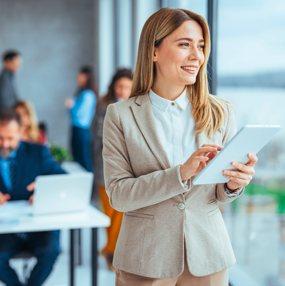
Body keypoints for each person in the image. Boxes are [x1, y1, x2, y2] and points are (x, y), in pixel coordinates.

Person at [102, 8, 258, 286]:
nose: (197, 56)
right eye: (184, 44)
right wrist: (181, 173)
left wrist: (234, 185)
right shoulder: (121, 115)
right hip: (145, 259)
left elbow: (220, 195)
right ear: (154, 52)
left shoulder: (222, 112)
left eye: (200, 46)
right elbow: (119, 195)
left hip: (209, 257)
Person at [0, 110, 66, 286]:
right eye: (0, 137)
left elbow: (64, 180)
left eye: (10, 138)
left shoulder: (38, 153)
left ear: (20, 132)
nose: (5, 144)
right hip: (3, 229)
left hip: (39, 226)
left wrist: (44, 190)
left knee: (51, 251)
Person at [91, 68, 133, 271]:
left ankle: (110, 250)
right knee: (110, 213)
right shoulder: (104, 106)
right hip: (104, 169)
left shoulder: (135, 106)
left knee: (122, 212)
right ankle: (111, 251)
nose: (123, 91)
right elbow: (98, 138)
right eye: (120, 86)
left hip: (127, 171)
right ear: (113, 87)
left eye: (127, 87)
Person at [65, 66, 97, 172]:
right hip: (77, 129)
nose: (78, 77)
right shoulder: (82, 93)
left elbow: (77, 113)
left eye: (80, 75)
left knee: (83, 160)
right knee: (77, 159)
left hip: (81, 130)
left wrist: (71, 104)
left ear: (86, 77)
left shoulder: (88, 94)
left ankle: (90, 186)